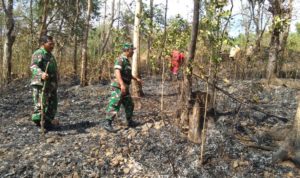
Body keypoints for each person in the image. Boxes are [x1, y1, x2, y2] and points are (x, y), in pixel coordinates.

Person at [103, 43, 142, 132]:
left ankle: (130, 121)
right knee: (115, 103)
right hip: (119, 87)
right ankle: (107, 123)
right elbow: (117, 71)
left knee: (129, 104)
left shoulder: (127, 61)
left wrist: (136, 78)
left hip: (125, 87)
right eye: (132, 50)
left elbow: (127, 74)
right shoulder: (120, 59)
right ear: (127, 50)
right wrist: (121, 84)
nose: (133, 52)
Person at [30, 35, 59, 129]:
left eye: (53, 44)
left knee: (53, 103)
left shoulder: (50, 55)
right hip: (41, 84)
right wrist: (41, 73)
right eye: (50, 44)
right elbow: (33, 66)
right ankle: (39, 123)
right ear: (43, 44)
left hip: (51, 85)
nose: (52, 46)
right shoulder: (38, 53)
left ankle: (48, 121)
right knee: (40, 104)